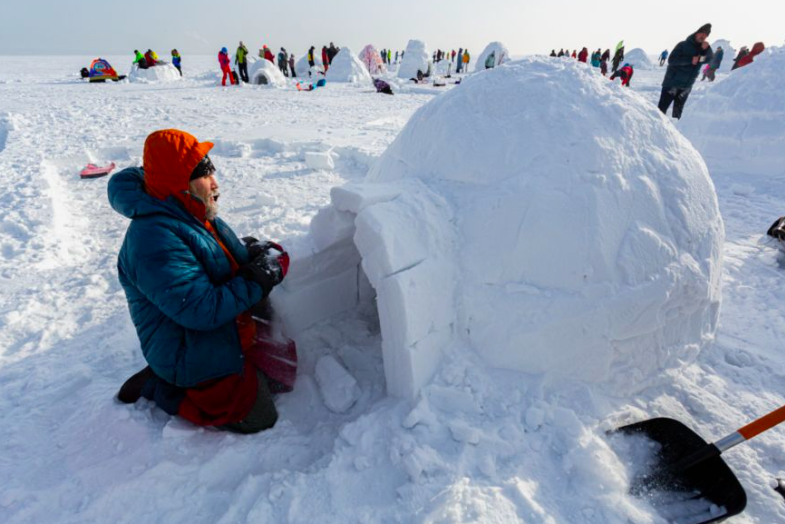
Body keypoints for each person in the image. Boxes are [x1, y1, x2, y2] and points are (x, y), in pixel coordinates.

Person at [110, 129, 293, 434]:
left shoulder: (187, 209)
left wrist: (248, 255)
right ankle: (164, 386)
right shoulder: (152, 240)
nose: (215, 183)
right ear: (180, 182)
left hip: (205, 333)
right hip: (188, 346)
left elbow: (207, 258)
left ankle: (178, 372)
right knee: (258, 416)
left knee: (279, 375)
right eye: (205, 175)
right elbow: (200, 310)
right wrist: (257, 278)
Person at [658, 23, 713, 120]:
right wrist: (690, 60)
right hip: (672, 83)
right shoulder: (683, 45)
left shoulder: (705, 48)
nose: (703, 36)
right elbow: (672, 60)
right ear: (696, 33)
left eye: (705, 35)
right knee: (660, 111)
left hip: (686, 86)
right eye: (701, 33)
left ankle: (673, 129)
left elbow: (709, 59)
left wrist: (706, 49)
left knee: (677, 114)